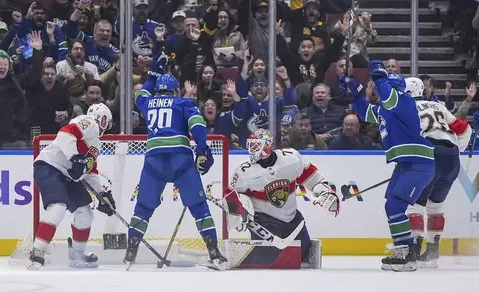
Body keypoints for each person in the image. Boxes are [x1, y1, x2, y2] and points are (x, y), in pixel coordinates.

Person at [124, 53, 226, 270]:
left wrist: (154, 74)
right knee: (199, 207)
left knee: (143, 208)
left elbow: (141, 92)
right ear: (175, 90)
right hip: (181, 160)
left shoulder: (147, 102)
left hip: (154, 162)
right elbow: (197, 124)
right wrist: (202, 148)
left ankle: (130, 253)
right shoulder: (182, 102)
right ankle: (214, 252)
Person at [340, 62, 435, 271]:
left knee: (395, 206)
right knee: (391, 205)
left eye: (382, 87)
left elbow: (388, 96)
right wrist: (355, 93)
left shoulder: (403, 100)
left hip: (418, 163)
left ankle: (406, 253)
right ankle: (403, 250)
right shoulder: (388, 109)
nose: (379, 90)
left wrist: (378, 75)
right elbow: (365, 112)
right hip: (405, 164)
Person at [225, 129, 339, 264]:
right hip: (264, 220)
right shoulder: (243, 172)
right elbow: (231, 195)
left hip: (292, 217)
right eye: (251, 145)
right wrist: (237, 214)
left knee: (303, 256)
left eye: (256, 145)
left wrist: (324, 192)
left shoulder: (291, 158)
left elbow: (310, 175)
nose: (252, 149)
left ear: (267, 146)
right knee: (267, 259)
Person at [28, 103, 116, 269]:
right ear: (103, 119)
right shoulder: (89, 121)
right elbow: (65, 133)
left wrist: (102, 195)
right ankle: (37, 252)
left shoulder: (96, 144)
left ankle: (77, 254)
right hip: (49, 167)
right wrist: (75, 157)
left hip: (68, 176)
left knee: (85, 214)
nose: (106, 127)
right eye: (107, 122)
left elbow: (90, 172)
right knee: (58, 207)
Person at [404, 77, 471, 268]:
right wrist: (456, 151)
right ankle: (432, 254)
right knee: (436, 206)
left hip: (429, 155)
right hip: (451, 158)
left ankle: (415, 251)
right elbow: (465, 128)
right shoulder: (436, 105)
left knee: (415, 204)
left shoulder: (405, 109)